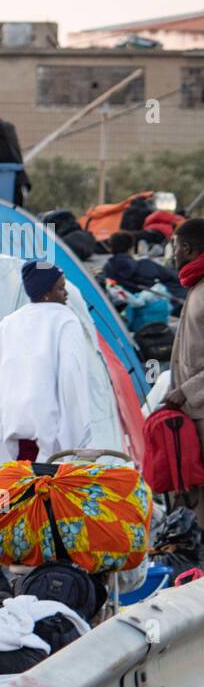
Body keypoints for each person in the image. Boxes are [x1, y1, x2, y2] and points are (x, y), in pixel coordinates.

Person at [0, 261, 92, 533]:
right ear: (45, 292)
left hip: (8, 438)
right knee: (51, 515)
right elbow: (71, 372)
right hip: (53, 436)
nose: (65, 294)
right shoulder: (65, 320)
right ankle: (50, 568)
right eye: (60, 288)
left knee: (17, 513)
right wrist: (75, 424)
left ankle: (20, 561)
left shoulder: (9, 322)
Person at [165, 220, 204, 527]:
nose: (173, 252)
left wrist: (186, 390)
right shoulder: (195, 286)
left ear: (188, 249)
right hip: (193, 412)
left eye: (175, 246)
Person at [102, 231, 183, 300]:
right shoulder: (144, 264)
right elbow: (171, 276)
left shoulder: (106, 270)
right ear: (131, 248)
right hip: (149, 303)